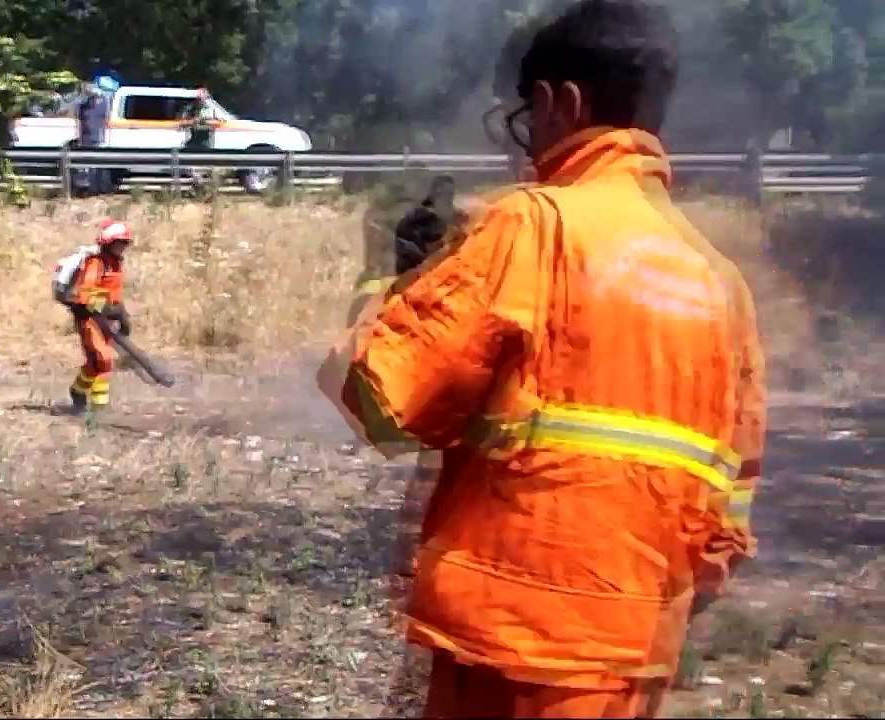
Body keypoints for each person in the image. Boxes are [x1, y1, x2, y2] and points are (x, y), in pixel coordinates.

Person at [317, 1, 766, 717]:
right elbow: (728, 507)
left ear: (562, 101)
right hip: (634, 654)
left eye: (526, 117)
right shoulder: (721, 283)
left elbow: (379, 402)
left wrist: (389, 280)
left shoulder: (530, 225)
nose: (526, 145)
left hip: (511, 649)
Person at [55, 219, 134, 413]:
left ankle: (78, 391)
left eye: (125, 243)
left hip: (106, 320)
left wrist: (122, 314)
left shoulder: (115, 264)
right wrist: (106, 308)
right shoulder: (96, 264)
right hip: (90, 319)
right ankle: (99, 408)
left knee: (94, 362)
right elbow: (83, 294)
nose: (123, 247)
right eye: (119, 242)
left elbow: (113, 293)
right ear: (108, 243)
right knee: (104, 358)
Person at [74, 83, 112, 196]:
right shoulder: (82, 105)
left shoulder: (103, 104)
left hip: (98, 139)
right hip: (85, 140)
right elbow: (79, 122)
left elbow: (106, 120)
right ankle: (87, 189)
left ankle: (100, 189)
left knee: (98, 166)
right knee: (85, 167)